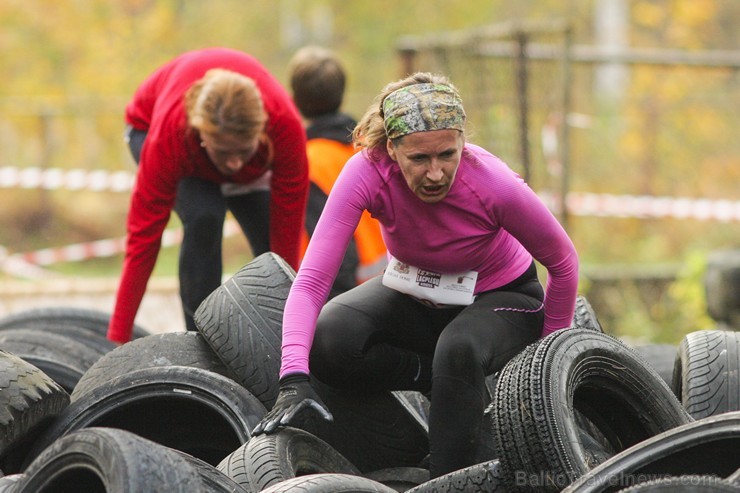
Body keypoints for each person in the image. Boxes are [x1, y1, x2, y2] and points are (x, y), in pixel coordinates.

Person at [251, 72, 579, 479]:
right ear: (392, 148)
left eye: (447, 154)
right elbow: (314, 279)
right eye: (419, 159)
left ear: (462, 142)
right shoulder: (366, 172)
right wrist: (292, 378)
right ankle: (442, 381)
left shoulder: (492, 183)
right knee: (330, 340)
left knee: (457, 349)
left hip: (502, 296)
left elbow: (563, 263)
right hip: (417, 291)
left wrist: (548, 365)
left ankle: (448, 476)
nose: (436, 173)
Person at [107, 47, 309, 344]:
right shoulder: (170, 136)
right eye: (225, 153)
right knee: (205, 215)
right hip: (149, 128)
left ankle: (275, 337)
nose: (234, 164)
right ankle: (200, 340)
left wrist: (294, 332)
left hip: (239, 154)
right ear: (202, 133)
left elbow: (287, 236)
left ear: (261, 130)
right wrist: (118, 337)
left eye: (243, 151)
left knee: (271, 250)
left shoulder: (284, 126)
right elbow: (143, 239)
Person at [287, 45, 387, 297]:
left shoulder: (309, 163)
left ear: (295, 100)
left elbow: (334, 250)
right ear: (341, 93)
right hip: (389, 284)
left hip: (350, 296)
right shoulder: (370, 145)